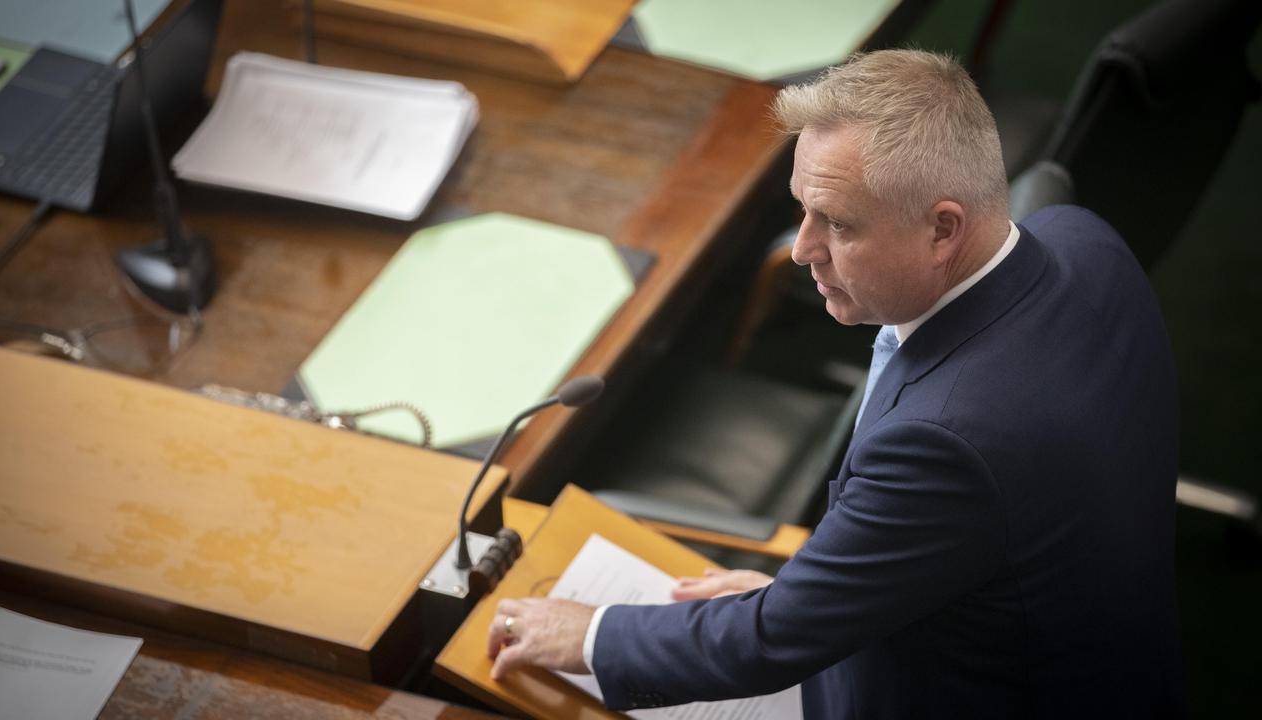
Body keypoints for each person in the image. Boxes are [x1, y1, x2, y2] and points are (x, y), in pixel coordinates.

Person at [486, 49, 1183, 718]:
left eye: (839, 224)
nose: (801, 249)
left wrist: (591, 636)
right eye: (802, 208)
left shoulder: (945, 443)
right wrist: (835, 587)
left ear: (943, 229)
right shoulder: (1077, 236)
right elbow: (973, 536)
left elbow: (769, 642)